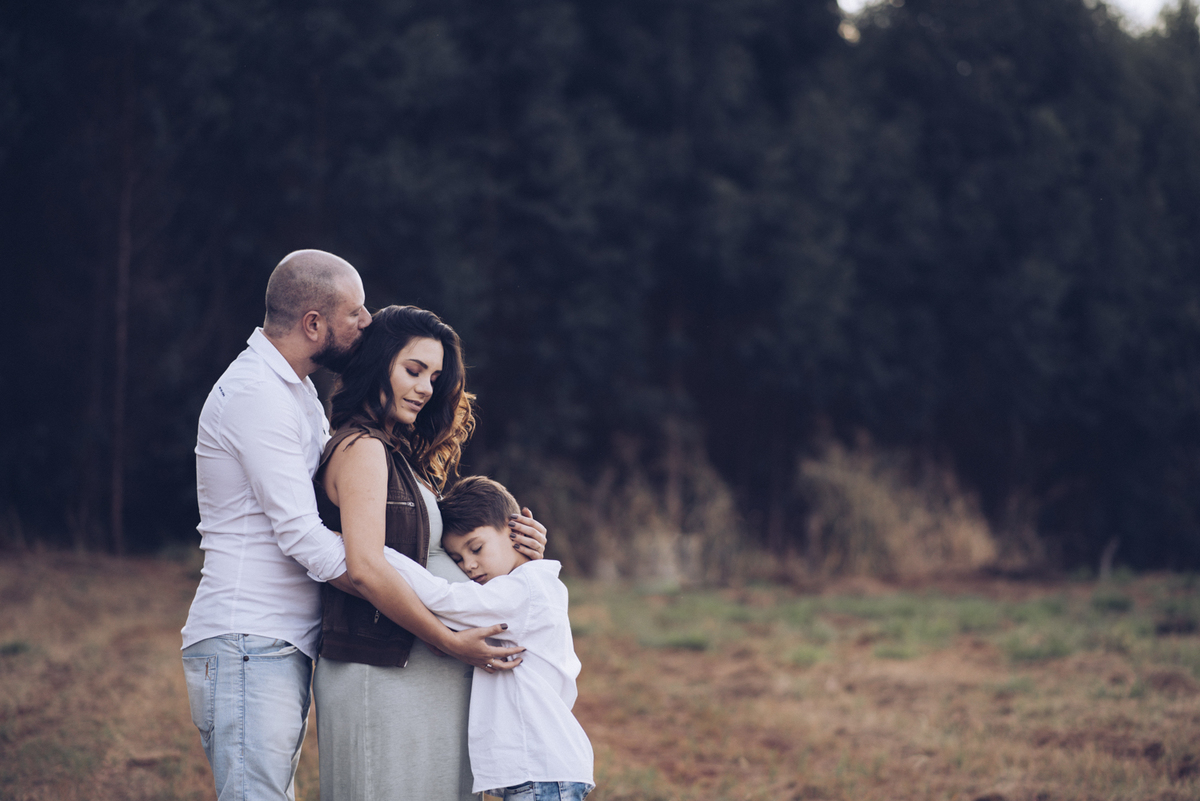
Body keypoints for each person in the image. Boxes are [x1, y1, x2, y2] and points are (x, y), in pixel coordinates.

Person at [180, 251, 546, 801]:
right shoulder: (257, 395)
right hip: (249, 634)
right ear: (313, 323)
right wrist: (432, 621)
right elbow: (312, 540)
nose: (367, 322)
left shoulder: (298, 392)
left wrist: (508, 551)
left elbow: (389, 532)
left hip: (285, 638)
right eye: (356, 312)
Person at [313, 304, 547, 800]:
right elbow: (367, 568)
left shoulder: (398, 455)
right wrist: (448, 642)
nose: (425, 388)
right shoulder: (362, 449)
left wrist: (521, 551)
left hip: (421, 674)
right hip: (386, 673)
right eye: (412, 370)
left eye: (434, 377)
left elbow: (445, 550)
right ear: (378, 363)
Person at [382, 475, 595, 801]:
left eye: (476, 548)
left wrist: (376, 553)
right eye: (457, 559)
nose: (469, 565)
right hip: (543, 767)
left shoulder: (522, 591)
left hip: (540, 768)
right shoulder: (531, 587)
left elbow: (445, 599)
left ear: (517, 531)